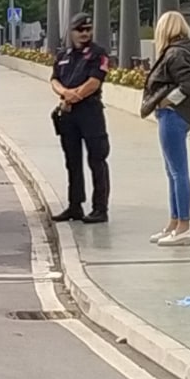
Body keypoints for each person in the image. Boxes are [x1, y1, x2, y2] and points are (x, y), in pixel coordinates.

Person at [141, 11, 190, 247]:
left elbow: (186, 85)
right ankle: (174, 223)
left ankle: (183, 227)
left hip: (173, 115)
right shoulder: (185, 50)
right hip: (179, 115)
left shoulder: (176, 53)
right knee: (173, 171)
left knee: (177, 172)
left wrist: (164, 102)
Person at [49, 13, 111, 224]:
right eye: (80, 30)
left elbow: (94, 82)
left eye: (88, 29)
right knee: (72, 161)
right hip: (68, 113)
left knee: (97, 159)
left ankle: (100, 208)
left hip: (90, 111)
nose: (85, 33)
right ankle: (75, 205)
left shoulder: (98, 54)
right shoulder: (63, 55)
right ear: (72, 32)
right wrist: (65, 93)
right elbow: (54, 79)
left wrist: (73, 95)